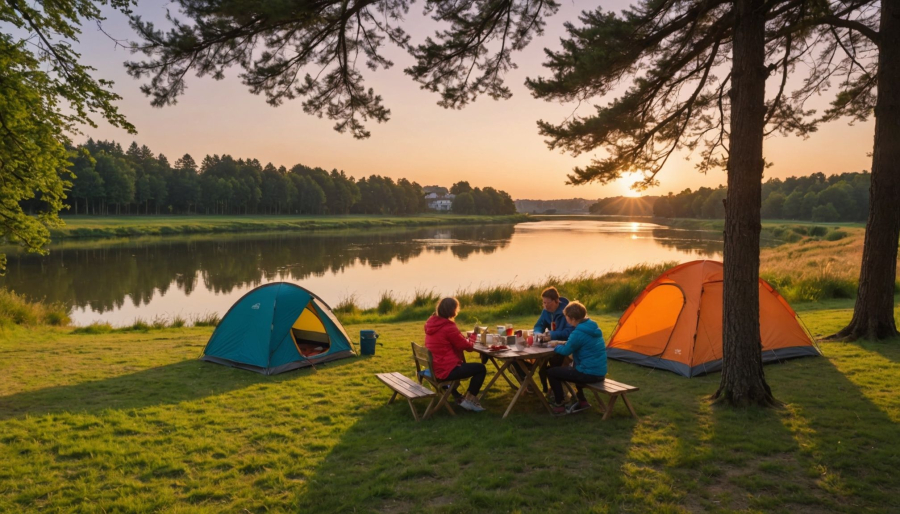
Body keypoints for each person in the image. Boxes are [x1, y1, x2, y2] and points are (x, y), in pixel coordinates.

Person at [425, 297, 488, 412]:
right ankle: (470, 400)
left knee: (473, 367)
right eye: (456, 308)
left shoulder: (432, 323)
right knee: (480, 368)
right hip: (445, 370)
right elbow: (467, 347)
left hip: (435, 367)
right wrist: (473, 337)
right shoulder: (448, 326)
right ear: (452, 310)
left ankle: (458, 396)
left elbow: (456, 341)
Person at [545, 301, 607, 415]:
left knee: (551, 372)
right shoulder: (591, 327)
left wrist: (554, 346)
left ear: (572, 319)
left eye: (567, 317)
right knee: (574, 368)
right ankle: (582, 401)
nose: (566, 319)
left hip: (588, 374)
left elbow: (566, 351)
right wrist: (560, 343)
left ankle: (560, 404)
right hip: (599, 372)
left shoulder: (578, 332)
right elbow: (574, 344)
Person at [534, 287, 576, 393]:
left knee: (554, 365)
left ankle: (558, 391)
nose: (546, 306)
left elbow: (570, 332)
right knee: (541, 363)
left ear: (557, 301)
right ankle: (537, 387)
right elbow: (538, 325)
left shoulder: (568, 311)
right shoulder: (545, 311)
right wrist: (538, 334)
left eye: (548, 303)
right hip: (552, 345)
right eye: (544, 303)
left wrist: (551, 335)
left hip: (566, 346)